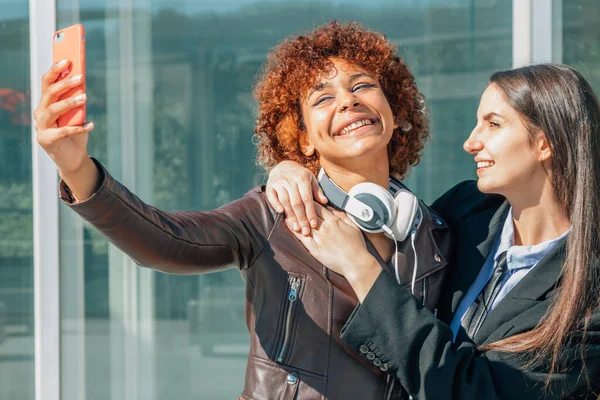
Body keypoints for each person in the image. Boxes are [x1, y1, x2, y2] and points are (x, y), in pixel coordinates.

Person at [33, 22, 451, 399]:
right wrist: (76, 169)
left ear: (394, 112)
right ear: (303, 140)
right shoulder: (271, 215)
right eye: (323, 97)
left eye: (362, 86)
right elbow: (163, 241)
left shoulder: (435, 233)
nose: (347, 102)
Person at [265, 63, 600, 399]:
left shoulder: (589, 297)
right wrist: (292, 171)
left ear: (545, 143)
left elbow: (469, 389)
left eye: (493, 124)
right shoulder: (466, 209)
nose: (471, 142)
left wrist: (361, 266)